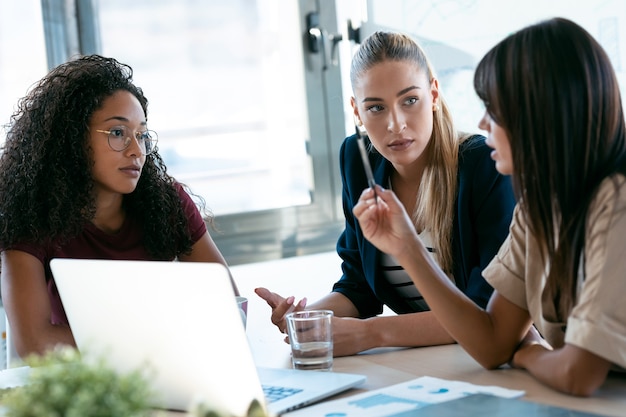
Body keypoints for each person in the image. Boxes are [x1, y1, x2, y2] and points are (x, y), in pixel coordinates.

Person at [353, 17, 626, 396]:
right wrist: (407, 248)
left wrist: (529, 352)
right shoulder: (539, 207)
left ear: (542, 113)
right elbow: (492, 342)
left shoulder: (617, 204)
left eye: (495, 112)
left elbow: (577, 375)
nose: (482, 123)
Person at [256, 31, 516, 356]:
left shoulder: (485, 164)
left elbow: (485, 312)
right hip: (421, 363)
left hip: (483, 359)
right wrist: (309, 320)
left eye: (410, 100)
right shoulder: (357, 158)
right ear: (357, 111)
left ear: (434, 94)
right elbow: (360, 286)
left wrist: (370, 334)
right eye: (376, 107)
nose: (395, 124)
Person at [0, 55, 238, 358]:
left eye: (141, 135)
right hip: (84, 384)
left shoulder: (167, 202)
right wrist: (158, 333)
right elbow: (34, 343)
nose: (136, 151)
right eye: (117, 133)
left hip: (166, 371)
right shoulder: (30, 215)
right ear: (70, 138)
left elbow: (229, 309)